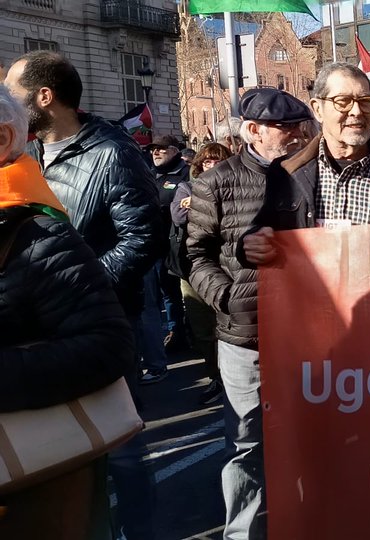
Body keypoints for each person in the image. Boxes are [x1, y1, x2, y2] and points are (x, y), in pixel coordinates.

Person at [4, 50, 158, 540]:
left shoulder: (113, 153)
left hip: (102, 315)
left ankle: (139, 531)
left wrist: (82, 286)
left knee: (118, 444)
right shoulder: (29, 156)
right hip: (43, 327)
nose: (8, 99)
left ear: (43, 97)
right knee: (51, 450)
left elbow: (143, 238)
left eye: (13, 91)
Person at [188, 87, 315, 540]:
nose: (295, 134)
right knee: (246, 444)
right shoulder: (216, 182)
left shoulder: (310, 175)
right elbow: (194, 255)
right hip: (246, 337)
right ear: (253, 130)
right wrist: (226, 297)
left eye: (300, 125)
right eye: (284, 127)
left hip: (310, 333)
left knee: (310, 439)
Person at [241, 62, 370, 262]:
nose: (356, 111)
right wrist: (251, 245)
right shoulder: (285, 173)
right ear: (318, 109)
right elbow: (262, 231)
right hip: (307, 284)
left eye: (365, 101)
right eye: (343, 101)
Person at [169, 142, 233, 406]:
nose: (212, 167)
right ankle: (215, 377)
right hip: (192, 269)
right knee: (202, 327)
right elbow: (178, 216)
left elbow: (233, 216)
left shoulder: (237, 187)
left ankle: (231, 379)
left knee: (230, 326)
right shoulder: (186, 187)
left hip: (228, 268)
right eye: (207, 162)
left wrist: (197, 203)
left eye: (218, 162)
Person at [147, 134, 190, 360]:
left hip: (176, 243)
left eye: (161, 148)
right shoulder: (149, 174)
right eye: (153, 149)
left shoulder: (185, 173)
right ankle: (164, 333)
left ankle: (178, 331)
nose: (155, 152)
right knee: (156, 293)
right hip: (151, 243)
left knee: (173, 292)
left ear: (174, 150)